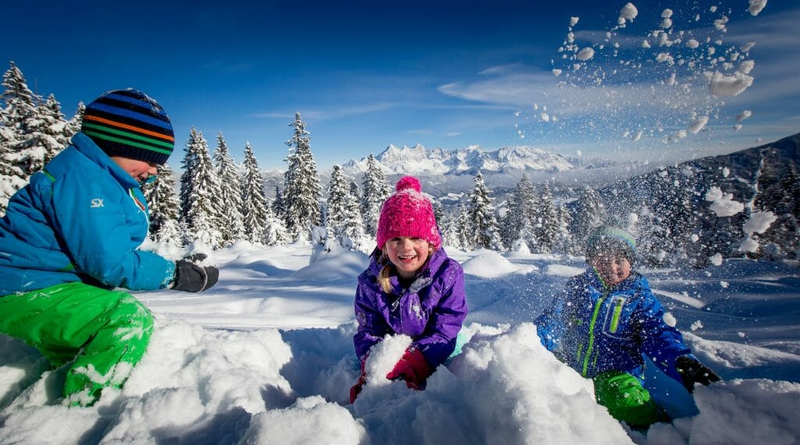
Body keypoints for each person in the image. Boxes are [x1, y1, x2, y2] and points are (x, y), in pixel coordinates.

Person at [0, 88, 219, 407]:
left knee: (90, 333)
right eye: (150, 158)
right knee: (124, 319)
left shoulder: (98, 176)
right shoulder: (86, 182)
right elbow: (109, 262)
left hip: (41, 285)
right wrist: (176, 275)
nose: (155, 170)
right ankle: (82, 410)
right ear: (115, 145)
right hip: (25, 289)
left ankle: (46, 397)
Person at [534, 226, 720, 428]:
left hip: (617, 373)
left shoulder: (639, 298)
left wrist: (681, 362)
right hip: (572, 366)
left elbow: (657, 334)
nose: (611, 267)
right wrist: (531, 344)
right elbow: (552, 321)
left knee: (623, 398)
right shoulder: (577, 288)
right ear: (591, 262)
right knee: (539, 382)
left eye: (619, 260)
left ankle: (656, 429)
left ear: (630, 263)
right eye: (603, 260)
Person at [350, 176, 468, 403]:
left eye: (416, 237)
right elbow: (368, 331)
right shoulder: (370, 283)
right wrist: (372, 366)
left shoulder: (448, 275)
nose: (406, 248)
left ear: (431, 242)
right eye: (395, 239)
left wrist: (416, 360)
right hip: (392, 357)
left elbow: (446, 328)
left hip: (438, 352)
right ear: (383, 245)